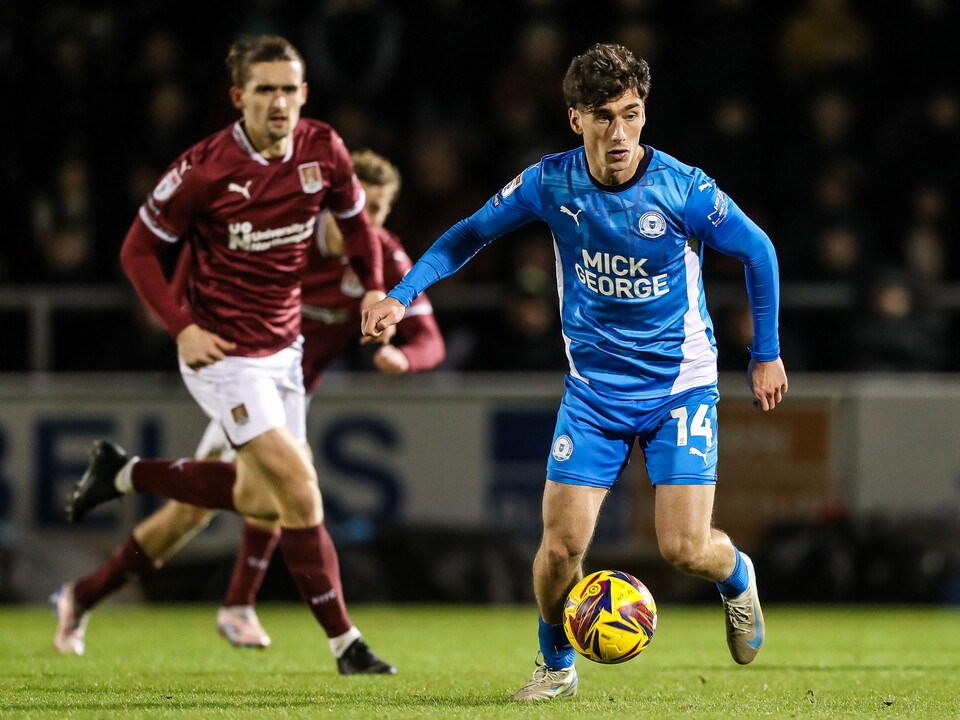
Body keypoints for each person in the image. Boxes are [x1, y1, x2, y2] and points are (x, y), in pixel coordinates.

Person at [362, 43, 788, 700]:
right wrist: (401, 294)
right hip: (593, 393)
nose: (619, 133)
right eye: (603, 117)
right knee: (561, 548)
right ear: (575, 119)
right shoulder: (549, 183)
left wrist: (766, 352)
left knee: (682, 548)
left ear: (644, 113)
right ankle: (557, 666)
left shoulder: (683, 189)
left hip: (679, 389)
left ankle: (736, 577)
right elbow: (467, 235)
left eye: (631, 113)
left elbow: (758, 251)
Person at [57, 35, 397, 675]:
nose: (279, 101)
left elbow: (357, 224)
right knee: (299, 490)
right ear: (238, 97)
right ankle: (345, 645)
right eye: (265, 89)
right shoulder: (206, 169)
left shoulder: (323, 148)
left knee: (254, 504)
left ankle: (115, 498)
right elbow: (136, 250)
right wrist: (180, 326)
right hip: (223, 356)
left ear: (304, 94)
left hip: (283, 352)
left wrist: (375, 286)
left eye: (289, 88)